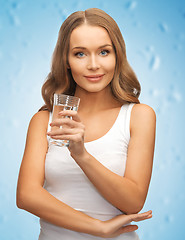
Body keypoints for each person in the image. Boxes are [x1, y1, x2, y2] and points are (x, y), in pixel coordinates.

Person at [16, 8, 156, 240]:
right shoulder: (44, 121)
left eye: (104, 52)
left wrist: (81, 154)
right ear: (66, 61)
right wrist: (98, 228)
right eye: (80, 54)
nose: (93, 65)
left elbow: (133, 201)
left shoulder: (139, 116)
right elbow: (26, 195)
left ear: (117, 56)